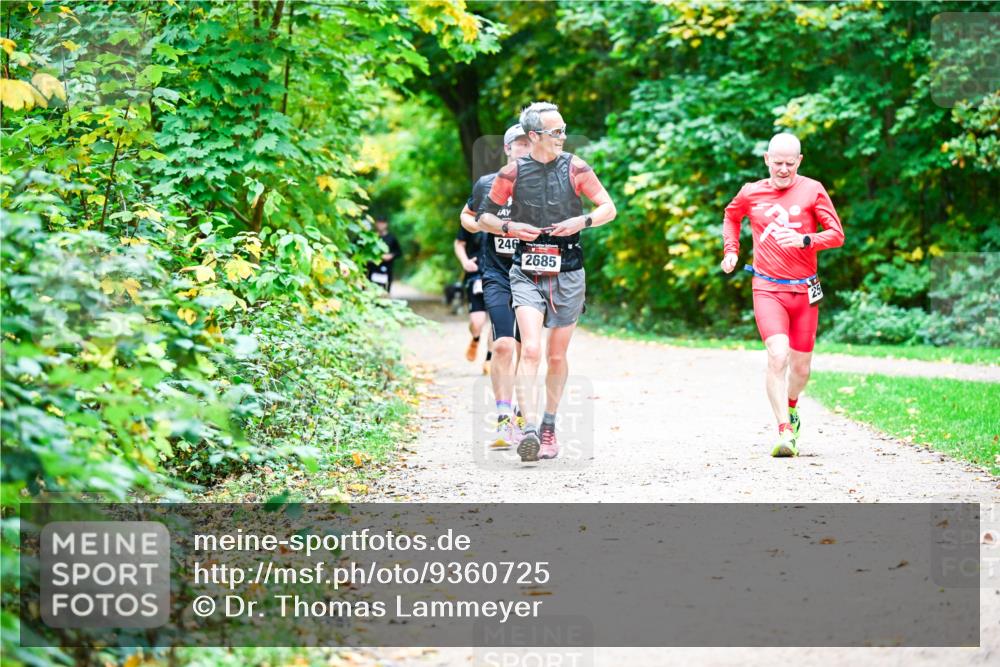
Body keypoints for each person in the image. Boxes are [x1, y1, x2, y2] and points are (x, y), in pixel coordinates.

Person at [478, 102, 617, 462]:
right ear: (534, 136)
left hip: (568, 268)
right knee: (533, 350)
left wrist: (582, 222)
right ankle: (528, 430)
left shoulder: (576, 167)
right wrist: (509, 227)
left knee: (556, 356)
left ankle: (549, 426)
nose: (563, 137)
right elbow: (484, 218)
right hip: (525, 270)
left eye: (564, 130)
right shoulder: (511, 173)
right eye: (556, 132)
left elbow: (608, 208)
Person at [721, 132, 845, 457]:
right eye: (778, 163)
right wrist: (731, 250)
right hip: (767, 287)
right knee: (778, 355)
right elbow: (731, 216)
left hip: (805, 290)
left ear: (799, 162)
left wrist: (806, 240)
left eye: (790, 163)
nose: (784, 169)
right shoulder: (751, 193)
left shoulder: (812, 189)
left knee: (801, 368)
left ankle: (792, 407)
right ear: (767, 160)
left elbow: (836, 235)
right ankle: (783, 431)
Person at [460, 124, 533, 447]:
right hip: (496, 273)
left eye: (527, 144)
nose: (523, 149)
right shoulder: (488, 184)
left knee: (526, 349)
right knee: (503, 345)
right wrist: (482, 224)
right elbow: (467, 215)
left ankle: (523, 413)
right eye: (517, 145)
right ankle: (504, 420)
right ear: (507, 149)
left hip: (532, 276)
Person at [453, 224, 489, 369]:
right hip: (476, 276)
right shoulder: (472, 218)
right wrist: (465, 262)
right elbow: (459, 243)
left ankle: (489, 359)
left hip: (501, 277)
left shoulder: (509, 217)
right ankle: (475, 338)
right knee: (477, 322)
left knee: (497, 323)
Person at [366, 218, 402, 293]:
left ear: (386, 224)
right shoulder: (371, 237)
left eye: (382, 223)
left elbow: (399, 252)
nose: (380, 225)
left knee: (385, 292)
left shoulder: (392, 238)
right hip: (372, 268)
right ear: (376, 224)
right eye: (379, 223)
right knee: (370, 290)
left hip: (387, 268)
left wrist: (391, 255)